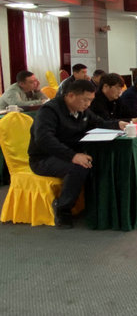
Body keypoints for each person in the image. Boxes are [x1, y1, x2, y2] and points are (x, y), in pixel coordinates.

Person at [28, 80, 127, 228]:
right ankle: (63, 210)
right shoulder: (49, 111)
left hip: (69, 153)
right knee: (79, 167)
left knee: (101, 160)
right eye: (85, 100)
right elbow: (44, 139)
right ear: (70, 96)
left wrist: (118, 124)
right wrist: (73, 156)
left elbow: (98, 122)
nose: (88, 104)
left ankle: (99, 204)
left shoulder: (82, 110)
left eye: (91, 100)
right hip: (44, 158)